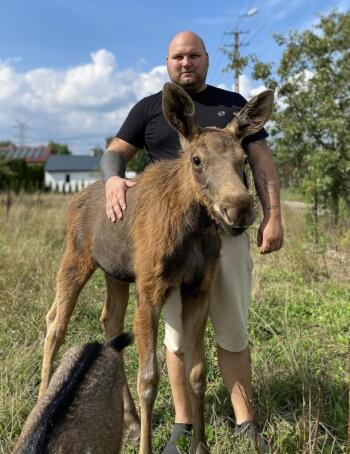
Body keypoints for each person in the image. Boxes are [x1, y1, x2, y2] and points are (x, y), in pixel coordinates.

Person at [100, 31, 283, 453]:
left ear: (207, 59)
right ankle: (183, 423)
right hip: (172, 239)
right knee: (176, 339)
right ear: (167, 61)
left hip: (227, 233)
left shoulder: (232, 106)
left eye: (194, 55)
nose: (187, 63)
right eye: (178, 56)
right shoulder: (151, 108)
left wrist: (273, 216)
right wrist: (111, 178)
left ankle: (244, 421)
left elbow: (260, 164)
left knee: (232, 328)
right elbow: (115, 153)